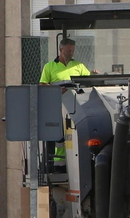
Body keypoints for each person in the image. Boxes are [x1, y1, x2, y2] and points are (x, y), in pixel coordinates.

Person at [39, 38, 91, 169]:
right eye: (68, 51)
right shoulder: (49, 66)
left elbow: (89, 81)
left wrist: (94, 75)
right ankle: (57, 166)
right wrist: (56, 89)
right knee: (58, 137)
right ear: (61, 50)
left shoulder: (79, 66)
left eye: (72, 51)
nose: (71, 53)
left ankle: (74, 164)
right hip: (57, 107)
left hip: (76, 107)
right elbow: (42, 85)